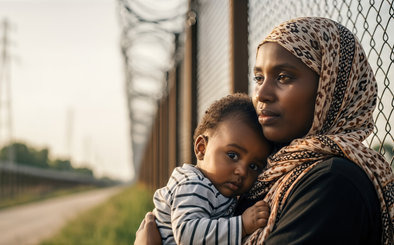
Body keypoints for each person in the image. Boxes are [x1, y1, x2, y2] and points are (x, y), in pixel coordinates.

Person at [135, 17, 394, 245]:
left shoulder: (333, 184)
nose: (262, 94)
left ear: (331, 88)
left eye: (284, 77)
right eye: (259, 78)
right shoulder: (266, 175)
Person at [152, 93, 272, 244]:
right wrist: (242, 225)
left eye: (253, 166)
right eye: (232, 155)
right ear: (201, 148)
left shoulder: (215, 189)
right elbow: (188, 235)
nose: (242, 171)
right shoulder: (194, 185)